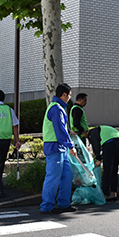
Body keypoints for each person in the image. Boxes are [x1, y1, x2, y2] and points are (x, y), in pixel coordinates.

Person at [41, 83, 78, 214]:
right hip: (55, 147)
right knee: (53, 177)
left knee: (67, 175)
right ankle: (47, 206)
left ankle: (63, 203)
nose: (69, 98)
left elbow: (60, 127)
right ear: (64, 95)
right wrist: (71, 146)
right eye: (69, 95)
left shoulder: (56, 107)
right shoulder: (57, 108)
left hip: (58, 147)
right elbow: (60, 130)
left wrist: (68, 132)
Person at [88, 125, 119, 202]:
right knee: (114, 169)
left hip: (110, 144)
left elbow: (96, 146)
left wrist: (98, 159)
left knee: (107, 170)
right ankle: (114, 193)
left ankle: (105, 195)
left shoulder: (92, 132)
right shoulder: (103, 129)